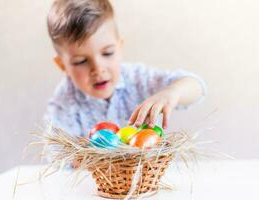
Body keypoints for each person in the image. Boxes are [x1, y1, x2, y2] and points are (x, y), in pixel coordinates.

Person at [44, 0, 207, 138]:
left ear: (120, 48)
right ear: (62, 65)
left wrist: (173, 92)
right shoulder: (63, 105)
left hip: (147, 174)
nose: (98, 69)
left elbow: (197, 87)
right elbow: (59, 158)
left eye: (107, 53)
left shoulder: (138, 79)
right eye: (80, 61)